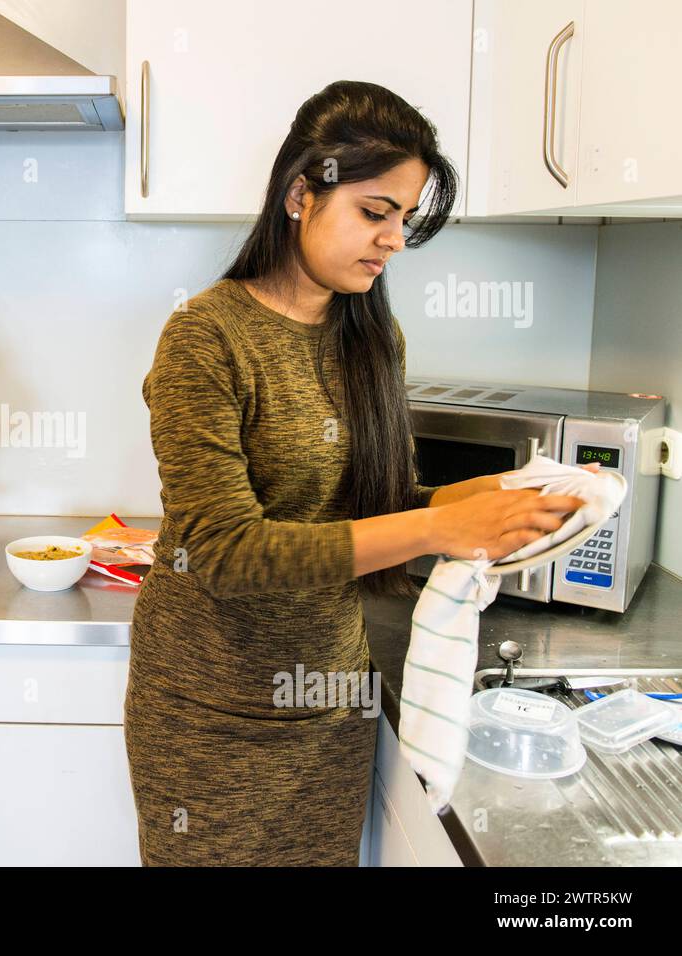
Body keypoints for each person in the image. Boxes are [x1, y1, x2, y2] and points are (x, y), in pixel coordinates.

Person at [124, 80, 594, 866]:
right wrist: (439, 524)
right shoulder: (205, 338)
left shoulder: (371, 337)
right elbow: (225, 551)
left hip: (331, 700)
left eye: (404, 219)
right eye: (376, 212)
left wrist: (467, 499)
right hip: (212, 716)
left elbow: (365, 507)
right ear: (302, 194)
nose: (395, 241)